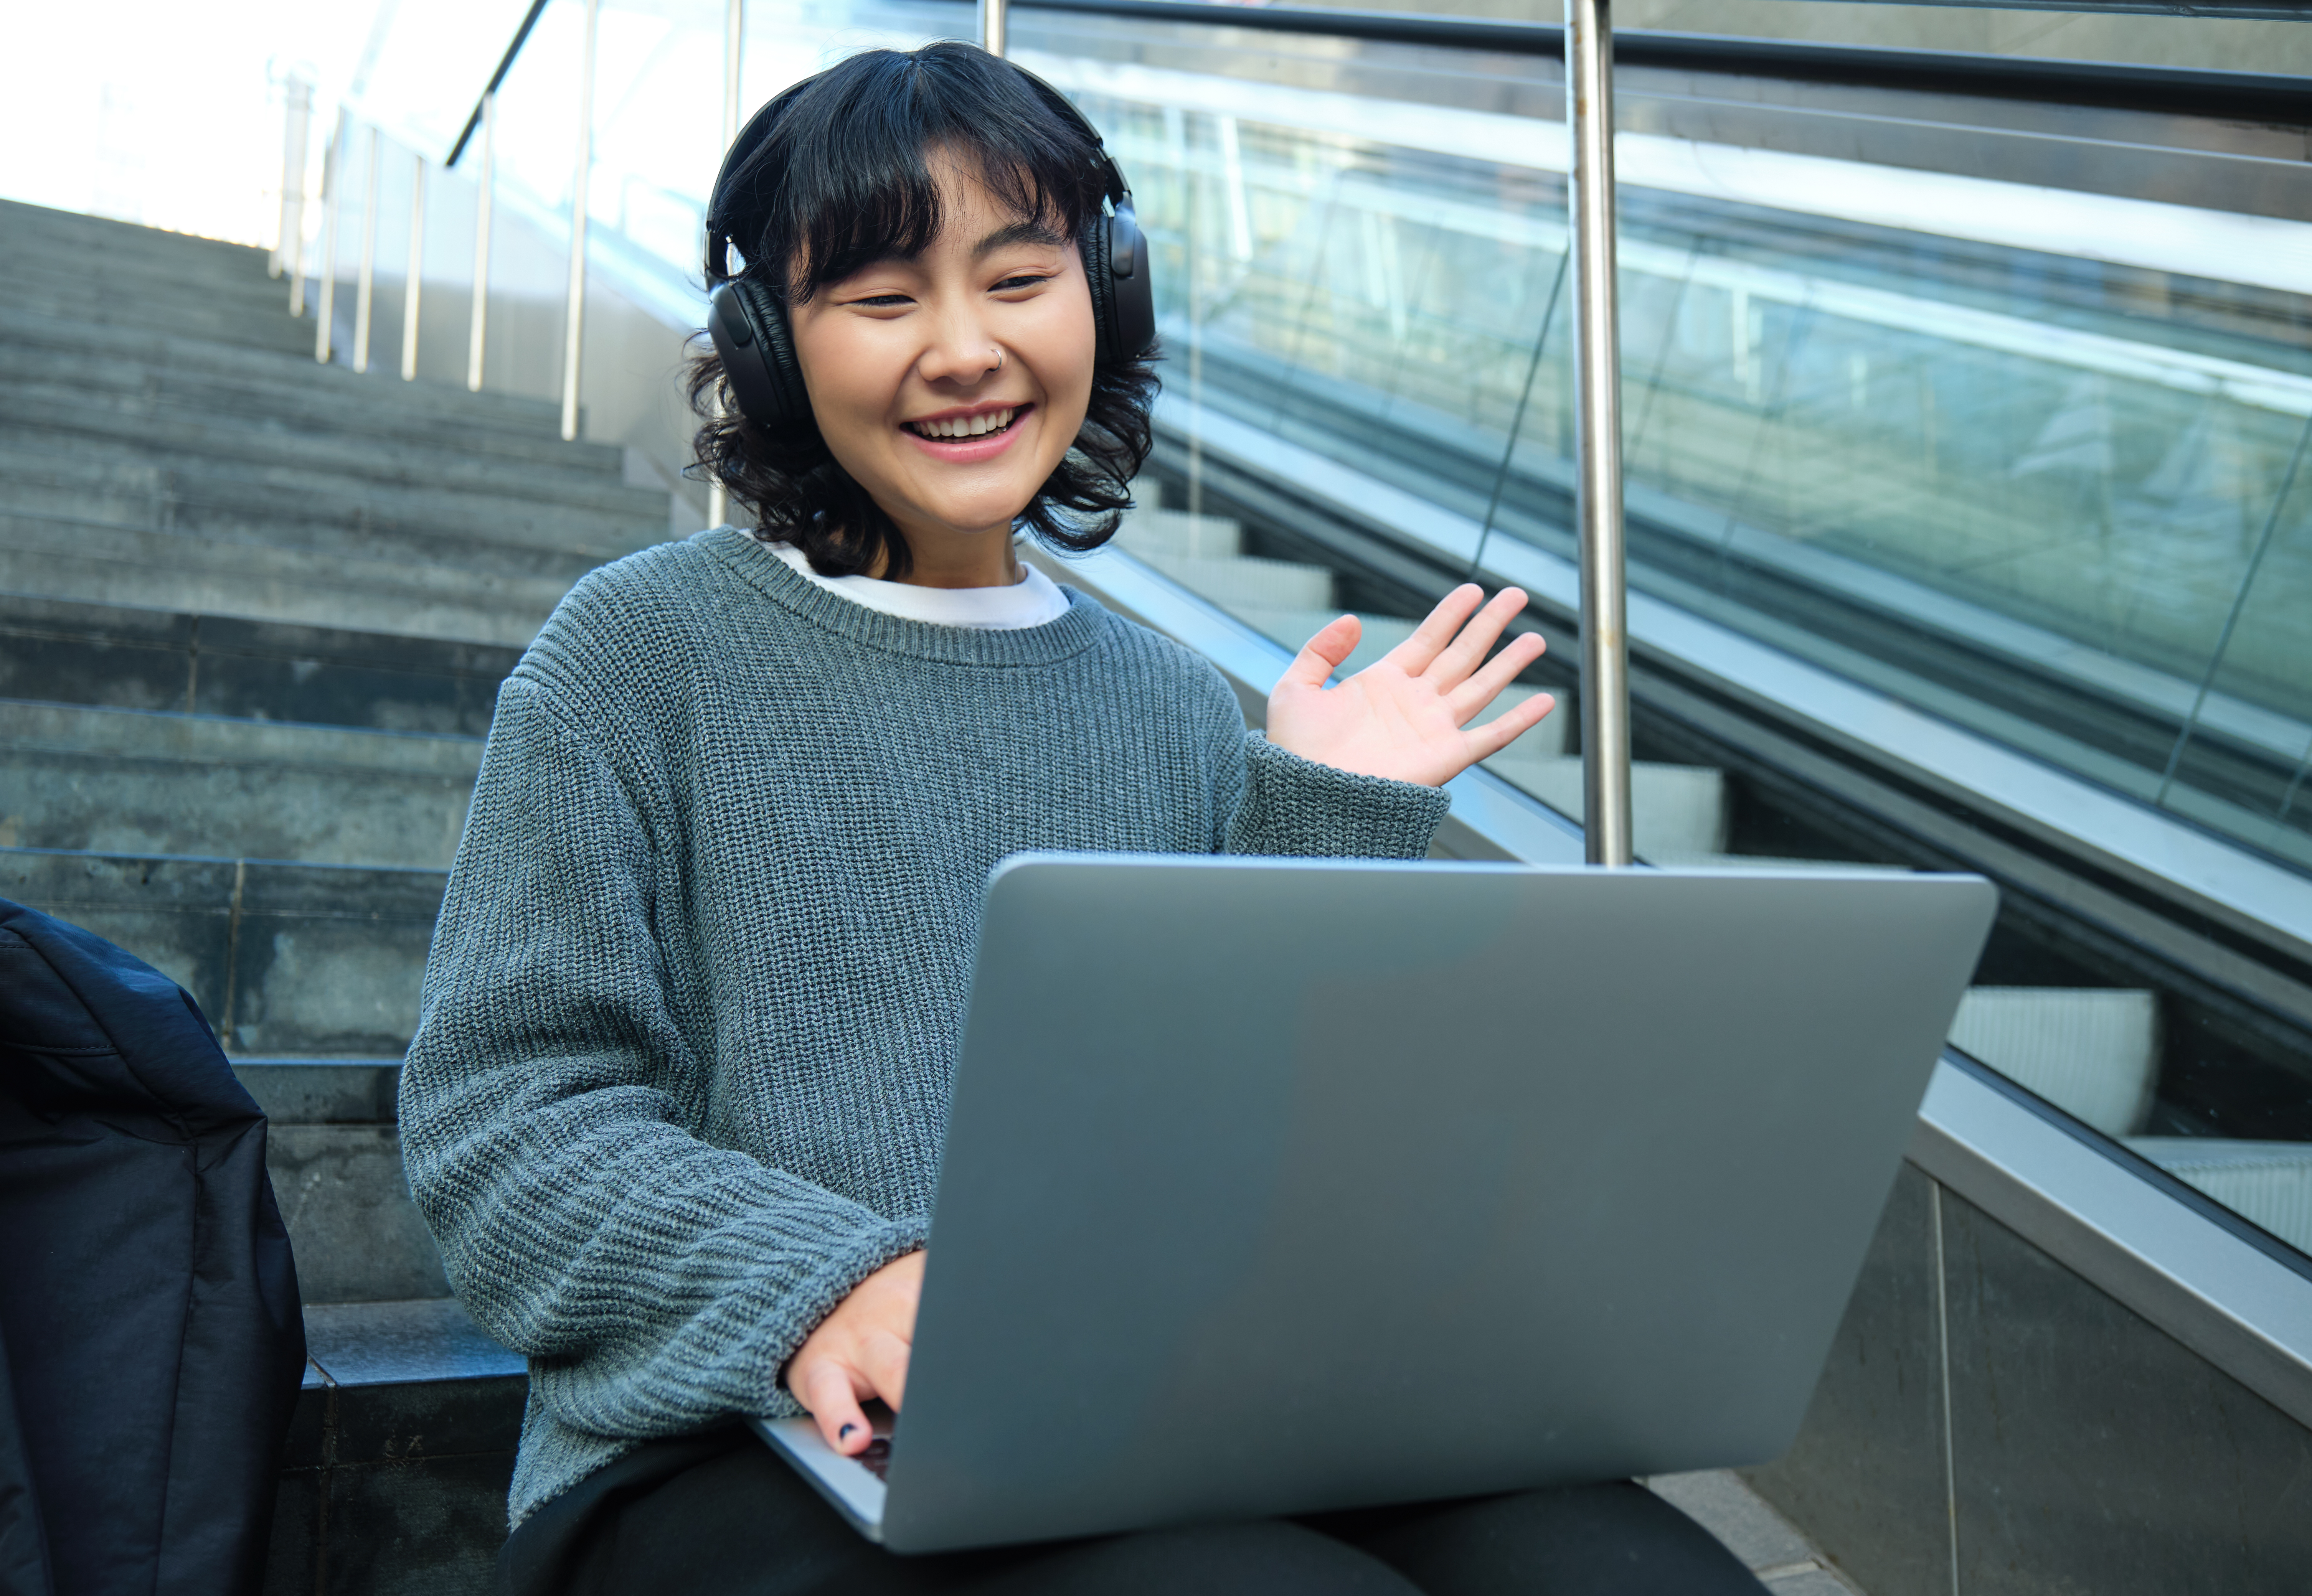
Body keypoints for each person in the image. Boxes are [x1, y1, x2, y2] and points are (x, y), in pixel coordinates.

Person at [398, 40, 1765, 1596]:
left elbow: (1247, 1152)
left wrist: (1334, 815)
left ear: (1100, 300)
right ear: (773, 347)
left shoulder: (1179, 704)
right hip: (739, 1427)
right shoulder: (638, 651)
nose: (966, 347)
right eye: (884, 296)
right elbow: (506, 1120)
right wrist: (822, 1283)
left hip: (1151, 1399)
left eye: (1018, 276)